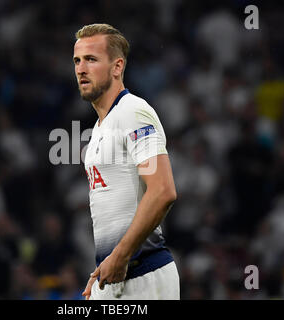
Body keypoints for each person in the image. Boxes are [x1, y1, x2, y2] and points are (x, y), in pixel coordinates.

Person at [73, 23, 180, 300]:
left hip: (145, 277)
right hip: (116, 277)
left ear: (117, 67)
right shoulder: (99, 128)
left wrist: (119, 256)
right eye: (77, 60)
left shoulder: (133, 111)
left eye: (91, 59)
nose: (81, 69)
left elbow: (162, 191)